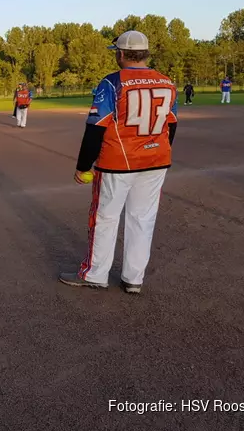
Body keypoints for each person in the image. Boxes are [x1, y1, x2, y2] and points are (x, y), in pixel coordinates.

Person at [59, 30, 178, 294]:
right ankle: (133, 279)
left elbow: (96, 128)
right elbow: (171, 126)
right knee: (142, 219)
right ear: (145, 53)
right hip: (156, 160)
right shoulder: (167, 82)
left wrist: (82, 166)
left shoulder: (112, 83)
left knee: (105, 217)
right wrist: (156, 151)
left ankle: (95, 274)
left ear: (122, 54)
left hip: (117, 162)